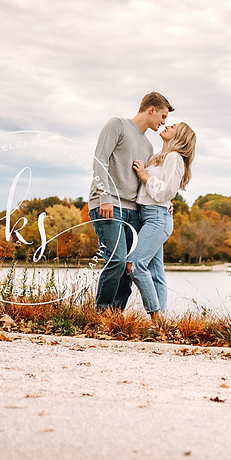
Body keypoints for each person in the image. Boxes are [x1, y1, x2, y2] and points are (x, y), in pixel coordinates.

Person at [87, 92, 171, 310]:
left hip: (133, 210)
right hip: (108, 205)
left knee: (128, 267)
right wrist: (105, 197)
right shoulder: (118, 125)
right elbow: (100, 160)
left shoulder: (148, 147)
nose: (164, 122)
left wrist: (164, 201)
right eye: (162, 116)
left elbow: (147, 180)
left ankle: (115, 318)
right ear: (151, 110)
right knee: (116, 261)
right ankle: (102, 315)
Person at [126, 121, 196, 327]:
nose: (166, 126)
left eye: (172, 126)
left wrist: (145, 177)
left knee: (135, 266)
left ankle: (156, 315)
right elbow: (165, 193)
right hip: (148, 216)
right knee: (156, 273)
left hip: (157, 218)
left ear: (180, 136)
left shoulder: (175, 158)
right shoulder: (159, 156)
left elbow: (167, 191)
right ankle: (160, 324)